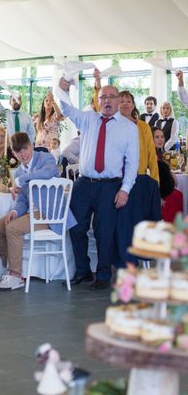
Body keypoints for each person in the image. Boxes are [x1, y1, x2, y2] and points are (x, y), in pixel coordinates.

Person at [56, 78, 139, 290]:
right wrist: (63, 87)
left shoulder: (129, 128)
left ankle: (103, 275)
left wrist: (125, 189)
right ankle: (82, 272)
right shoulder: (87, 119)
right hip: (83, 184)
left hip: (110, 186)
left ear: (119, 100)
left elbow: (132, 163)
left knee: (104, 232)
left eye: (111, 97)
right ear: (98, 100)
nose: (107, 101)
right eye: (103, 97)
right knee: (75, 228)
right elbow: (66, 107)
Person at [0, 132, 76, 291]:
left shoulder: (45, 158)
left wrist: (22, 180)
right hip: (32, 213)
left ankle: (15, 276)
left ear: (32, 146)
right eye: (18, 151)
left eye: (25, 148)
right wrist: (15, 211)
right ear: (13, 153)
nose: (23, 154)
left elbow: (48, 172)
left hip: (50, 213)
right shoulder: (19, 172)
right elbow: (22, 199)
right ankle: (10, 267)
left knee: (12, 228)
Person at [119, 90, 159, 183]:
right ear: (116, 105)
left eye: (128, 101)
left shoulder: (143, 127)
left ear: (133, 106)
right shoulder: (112, 126)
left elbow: (152, 155)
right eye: (121, 102)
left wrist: (155, 181)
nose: (125, 104)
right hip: (116, 177)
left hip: (139, 176)